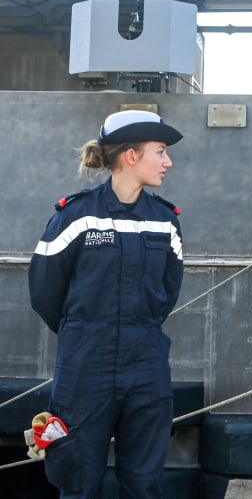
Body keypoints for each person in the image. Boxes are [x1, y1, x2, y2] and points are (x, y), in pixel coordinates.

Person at [28, 110, 184, 498]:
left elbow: (168, 291)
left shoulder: (165, 222)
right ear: (131, 156)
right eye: (160, 151)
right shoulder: (74, 216)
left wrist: (134, 330)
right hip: (85, 368)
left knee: (144, 484)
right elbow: (44, 292)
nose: (168, 161)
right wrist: (85, 333)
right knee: (78, 482)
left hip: (146, 364)